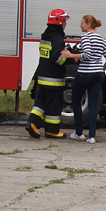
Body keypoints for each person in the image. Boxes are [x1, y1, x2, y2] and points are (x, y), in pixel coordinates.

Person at [62, 15, 106, 144]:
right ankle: (92, 136)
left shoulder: (86, 37)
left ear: (88, 25)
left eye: (82, 23)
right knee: (92, 105)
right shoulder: (101, 38)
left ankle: (79, 133)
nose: (80, 26)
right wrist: (101, 69)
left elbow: (86, 55)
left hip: (84, 73)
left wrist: (70, 55)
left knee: (75, 100)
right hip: (98, 74)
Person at [26, 9, 71, 139]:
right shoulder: (58, 38)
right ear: (59, 22)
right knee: (54, 105)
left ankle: (32, 122)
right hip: (53, 78)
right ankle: (52, 131)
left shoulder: (45, 36)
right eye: (64, 21)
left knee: (40, 102)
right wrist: (69, 57)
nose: (65, 24)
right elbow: (57, 58)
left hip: (43, 76)